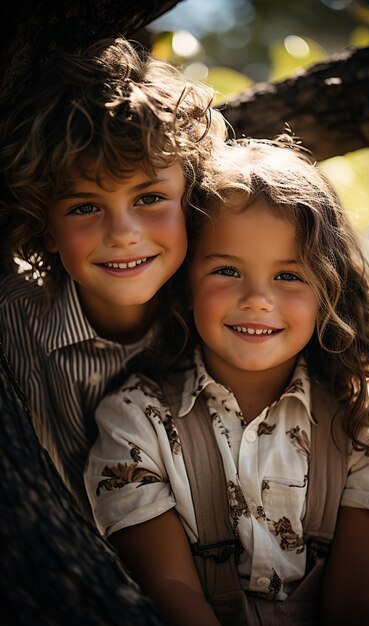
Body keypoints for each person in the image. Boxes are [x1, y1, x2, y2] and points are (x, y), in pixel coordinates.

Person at [85, 136, 369, 626]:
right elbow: (168, 588)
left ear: (330, 288)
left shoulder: (359, 422)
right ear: (185, 281)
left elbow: (358, 602)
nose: (258, 299)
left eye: (288, 276)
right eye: (226, 270)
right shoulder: (137, 420)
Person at [0, 36, 227, 514]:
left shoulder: (221, 320)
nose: (123, 234)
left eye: (148, 199)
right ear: (47, 228)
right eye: (85, 206)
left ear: (190, 201)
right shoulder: (12, 321)